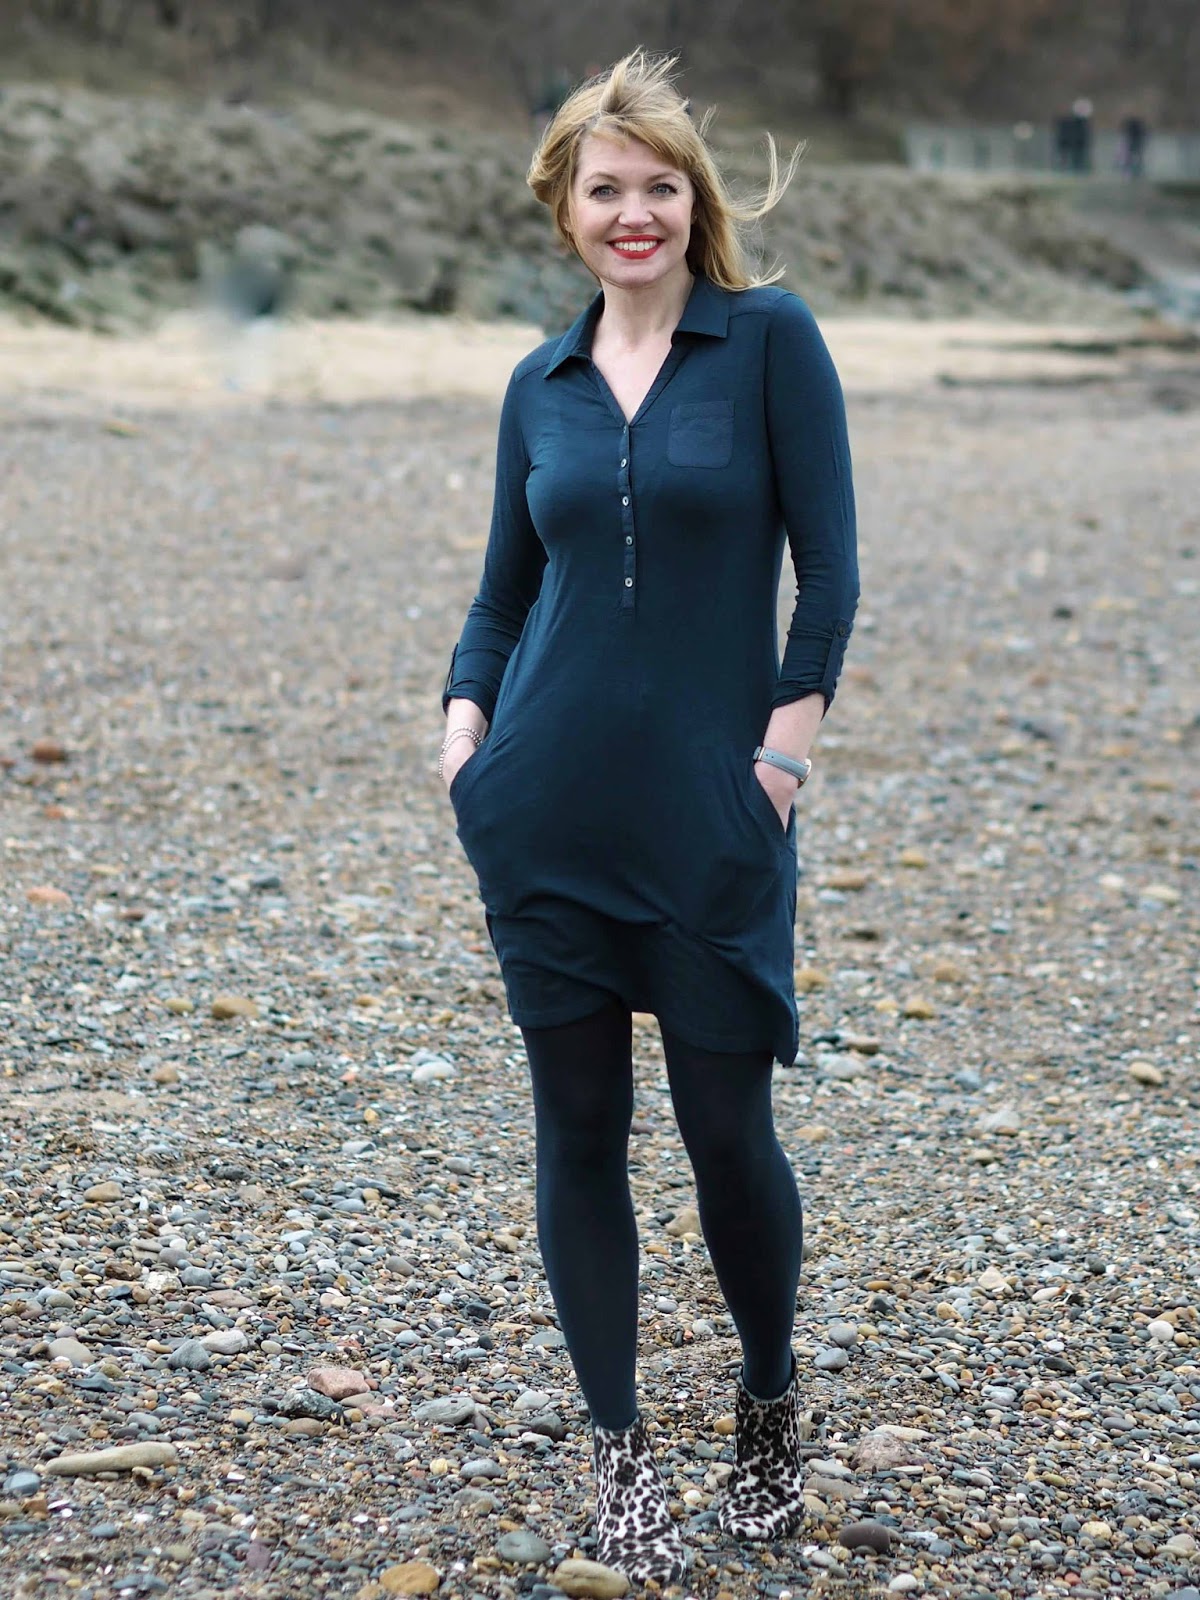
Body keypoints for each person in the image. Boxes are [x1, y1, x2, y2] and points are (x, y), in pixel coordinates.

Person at [438, 48, 858, 1583]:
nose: (634, 213)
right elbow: (502, 592)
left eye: (658, 186)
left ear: (697, 203)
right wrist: (464, 730)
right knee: (579, 1134)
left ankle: (766, 1404)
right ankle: (618, 1457)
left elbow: (833, 577)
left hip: (712, 815)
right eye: (604, 189)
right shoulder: (536, 385)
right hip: (544, 813)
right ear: (566, 209)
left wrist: (781, 761)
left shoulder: (768, 347)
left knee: (726, 1131)